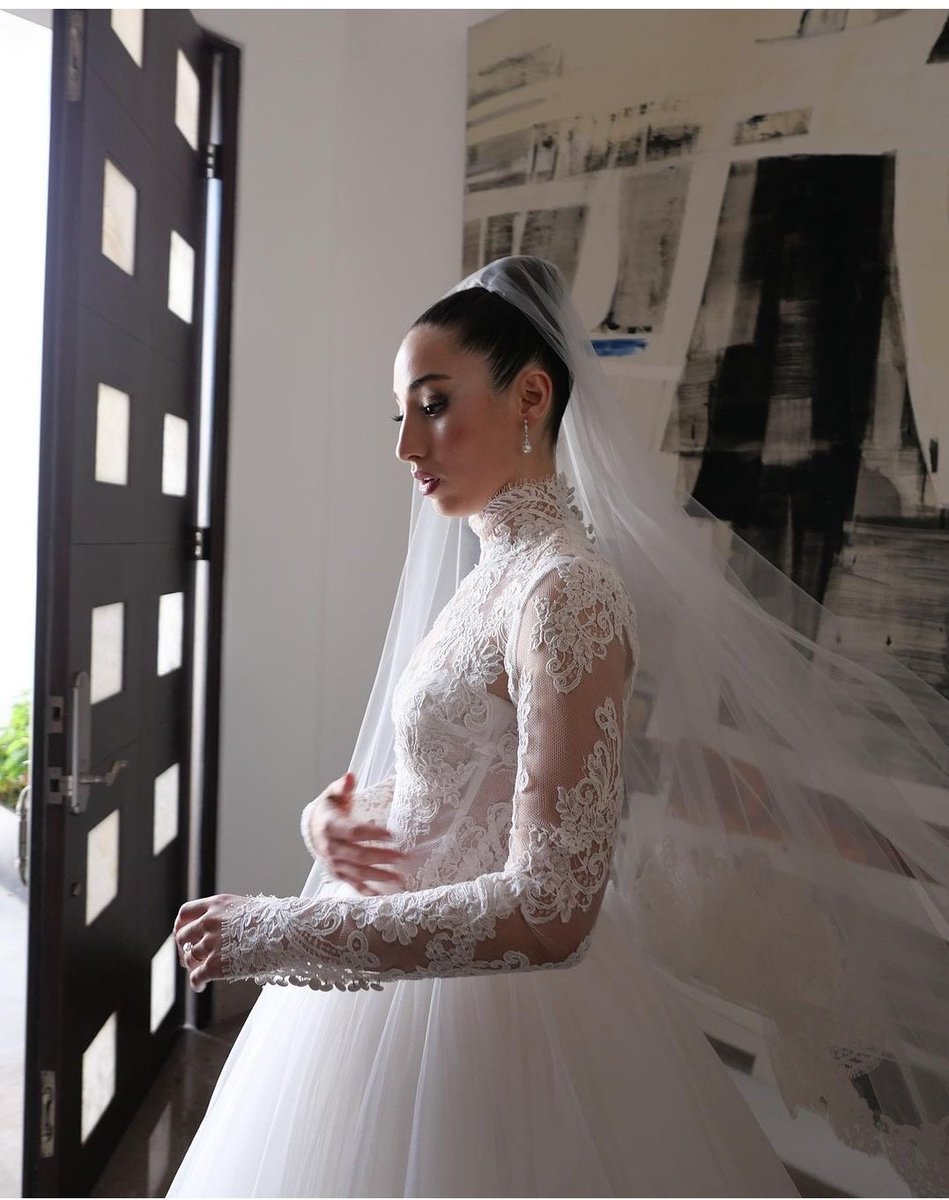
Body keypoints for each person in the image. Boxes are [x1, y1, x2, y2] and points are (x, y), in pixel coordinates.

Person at [169, 257, 949, 1197]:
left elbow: (549, 911)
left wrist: (279, 934)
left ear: (530, 395)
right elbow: (450, 791)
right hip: (388, 1005)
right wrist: (333, 825)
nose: (406, 445)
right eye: (399, 414)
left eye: (434, 404)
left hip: (498, 1033)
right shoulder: (489, 577)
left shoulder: (564, 592)